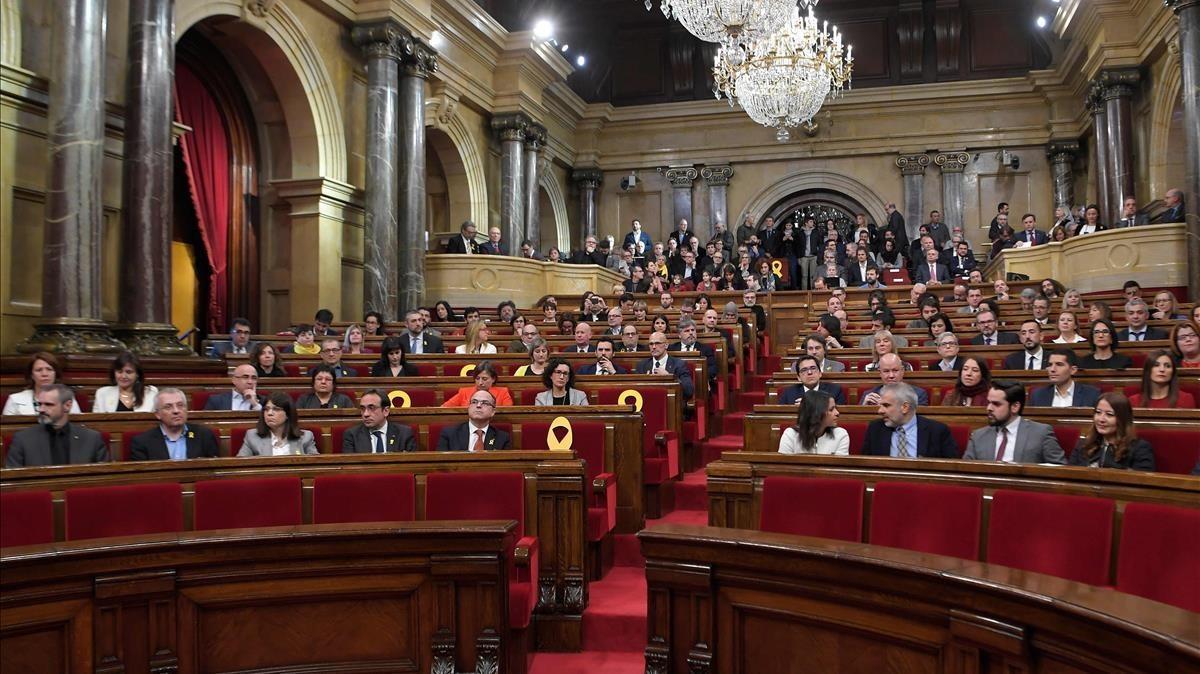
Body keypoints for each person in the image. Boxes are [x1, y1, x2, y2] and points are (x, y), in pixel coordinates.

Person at [962, 381, 1066, 464]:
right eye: (989, 402)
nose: (989, 408)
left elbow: (1059, 471)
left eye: (996, 404)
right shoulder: (978, 436)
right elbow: (966, 472)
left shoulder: (1040, 433)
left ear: (1015, 407)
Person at [4, 384, 107, 467]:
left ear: (67, 406)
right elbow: (13, 483)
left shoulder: (92, 439)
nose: (41, 410)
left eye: (48, 404)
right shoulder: (23, 439)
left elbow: (103, 480)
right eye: (40, 404)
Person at [860, 383, 958, 458]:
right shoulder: (875, 429)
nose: (880, 411)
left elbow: (951, 470)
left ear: (905, 407)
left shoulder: (937, 431)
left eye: (886, 405)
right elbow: (866, 466)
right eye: (880, 405)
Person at [1068, 393, 1156, 470]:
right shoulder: (1083, 445)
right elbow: (1069, 476)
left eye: (1109, 414)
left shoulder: (1139, 448)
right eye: (1098, 412)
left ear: (1123, 419)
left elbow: (1143, 483)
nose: (1101, 419)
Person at [128, 388, 219, 460]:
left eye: (180, 405)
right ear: (157, 414)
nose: (176, 411)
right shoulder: (142, 442)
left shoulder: (204, 435)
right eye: (168, 407)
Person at [238, 392, 319, 456]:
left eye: (276, 409)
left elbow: (316, 466)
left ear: (288, 414)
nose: (269, 413)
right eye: (266, 409)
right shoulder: (252, 436)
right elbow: (240, 465)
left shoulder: (305, 437)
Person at [2, 352, 82, 416]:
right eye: (39, 370)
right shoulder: (15, 400)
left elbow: (77, 428)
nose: (44, 374)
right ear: (31, 375)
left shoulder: (68, 398)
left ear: (55, 373)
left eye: (49, 369)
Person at [342, 389, 417, 453]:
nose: (365, 414)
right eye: (362, 409)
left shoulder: (404, 433)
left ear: (385, 411)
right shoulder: (352, 435)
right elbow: (349, 468)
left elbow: (412, 466)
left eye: (371, 408)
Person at [778, 390, 850, 455]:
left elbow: (838, 467)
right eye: (831, 410)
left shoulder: (841, 435)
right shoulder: (790, 435)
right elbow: (783, 467)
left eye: (835, 408)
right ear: (816, 413)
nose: (837, 413)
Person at [436, 389, 512, 451]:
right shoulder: (449, 434)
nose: (478, 405)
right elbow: (440, 464)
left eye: (485, 403)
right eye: (474, 402)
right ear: (468, 408)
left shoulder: (502, 438)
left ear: (493, 412)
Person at [1030, 349, 1102, 408]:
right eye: (1050, 365)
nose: (1052, 369)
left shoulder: (1091, 394)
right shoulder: (1038, 395)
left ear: (1073, 370)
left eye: (1059, 365)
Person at [635, 331, 695, 399]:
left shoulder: (679, 364)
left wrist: (669, 377)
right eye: (651, 344)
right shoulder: (642, 365)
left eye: (657, 343)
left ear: (666, 345)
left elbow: (688, 391)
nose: (654, 347)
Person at [92, 351, 158, 412]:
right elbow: (94, 422)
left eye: (129, 372)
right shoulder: (102, 393)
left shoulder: (151, 393)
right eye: (119, 372)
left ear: (137, 374)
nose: (123, 376)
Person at [1130, 349, 1196, 408]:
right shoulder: (1134, 401)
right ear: (1148, 370)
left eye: (1167, 366)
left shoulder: (1186, 399)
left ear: (1173, 372)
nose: (1162, 369)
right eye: (1156, 365)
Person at [860, 354, 930, 406]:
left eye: (895, 370)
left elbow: (918, 422)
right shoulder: (868, 395)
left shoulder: (918, 394)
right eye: (886, 371)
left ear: (902, 371)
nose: (891, 376)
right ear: (880, 373)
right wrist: (864, 408)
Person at [441, 361, 514, 407]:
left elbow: (507, 413)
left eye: (484, 379)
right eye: (477, 378)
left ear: (493, 379)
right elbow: (444, 408)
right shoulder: (464, 392)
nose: (480, 383)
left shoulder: (503, 392)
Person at [780, 355, 846, 405]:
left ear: (820, 373)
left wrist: (812, 405)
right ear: (799, 377)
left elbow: (839, 417)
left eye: (813, 368)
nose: (809, 372)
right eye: (804, 370)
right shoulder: (788, 393)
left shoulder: (834, 391)